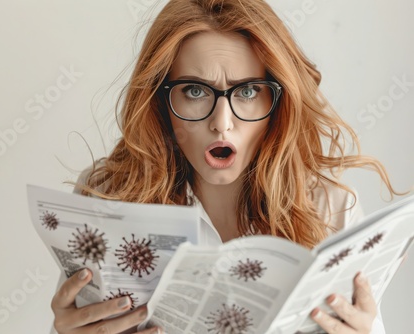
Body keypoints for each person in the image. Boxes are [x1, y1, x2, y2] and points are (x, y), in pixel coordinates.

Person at [51, 0, 401, 333]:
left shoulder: (332, 209)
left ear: (278, 101)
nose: (222, 122)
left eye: (247, 92)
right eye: (194, 91)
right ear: (160, 99)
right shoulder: (107, 197)